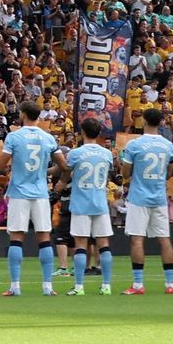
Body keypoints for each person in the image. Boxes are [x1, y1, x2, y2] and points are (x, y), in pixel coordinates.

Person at [0, 102, 60, 297]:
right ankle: (47, 286)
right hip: (40, 193)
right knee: (44, 238)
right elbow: (63, 165)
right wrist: (44, 172)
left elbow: (1, 165)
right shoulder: (47, 137)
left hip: (19, 192)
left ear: (23, 114)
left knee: (16, 238)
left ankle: (15, 286)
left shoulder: (14, 136)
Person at [119, 106, 173, 294]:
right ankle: (170, 285)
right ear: (161, 122)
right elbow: (170, 171)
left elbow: (125, 174)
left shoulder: (134, 145)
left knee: (137, 239)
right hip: (159, 197)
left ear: (143, 121)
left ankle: (138, 284)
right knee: (164, 239)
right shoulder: (167, 145)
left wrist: (124, 165)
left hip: (139, 197)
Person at [64, 118, 117, 296]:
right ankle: (107, 285)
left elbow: (66, 172)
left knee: (80, 245)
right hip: (100, 202)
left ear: (82, 132)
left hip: (81, 203)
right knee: (104, 245)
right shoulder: (107, 154)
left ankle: (79, 286)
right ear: (99, 133)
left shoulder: (75, 154)